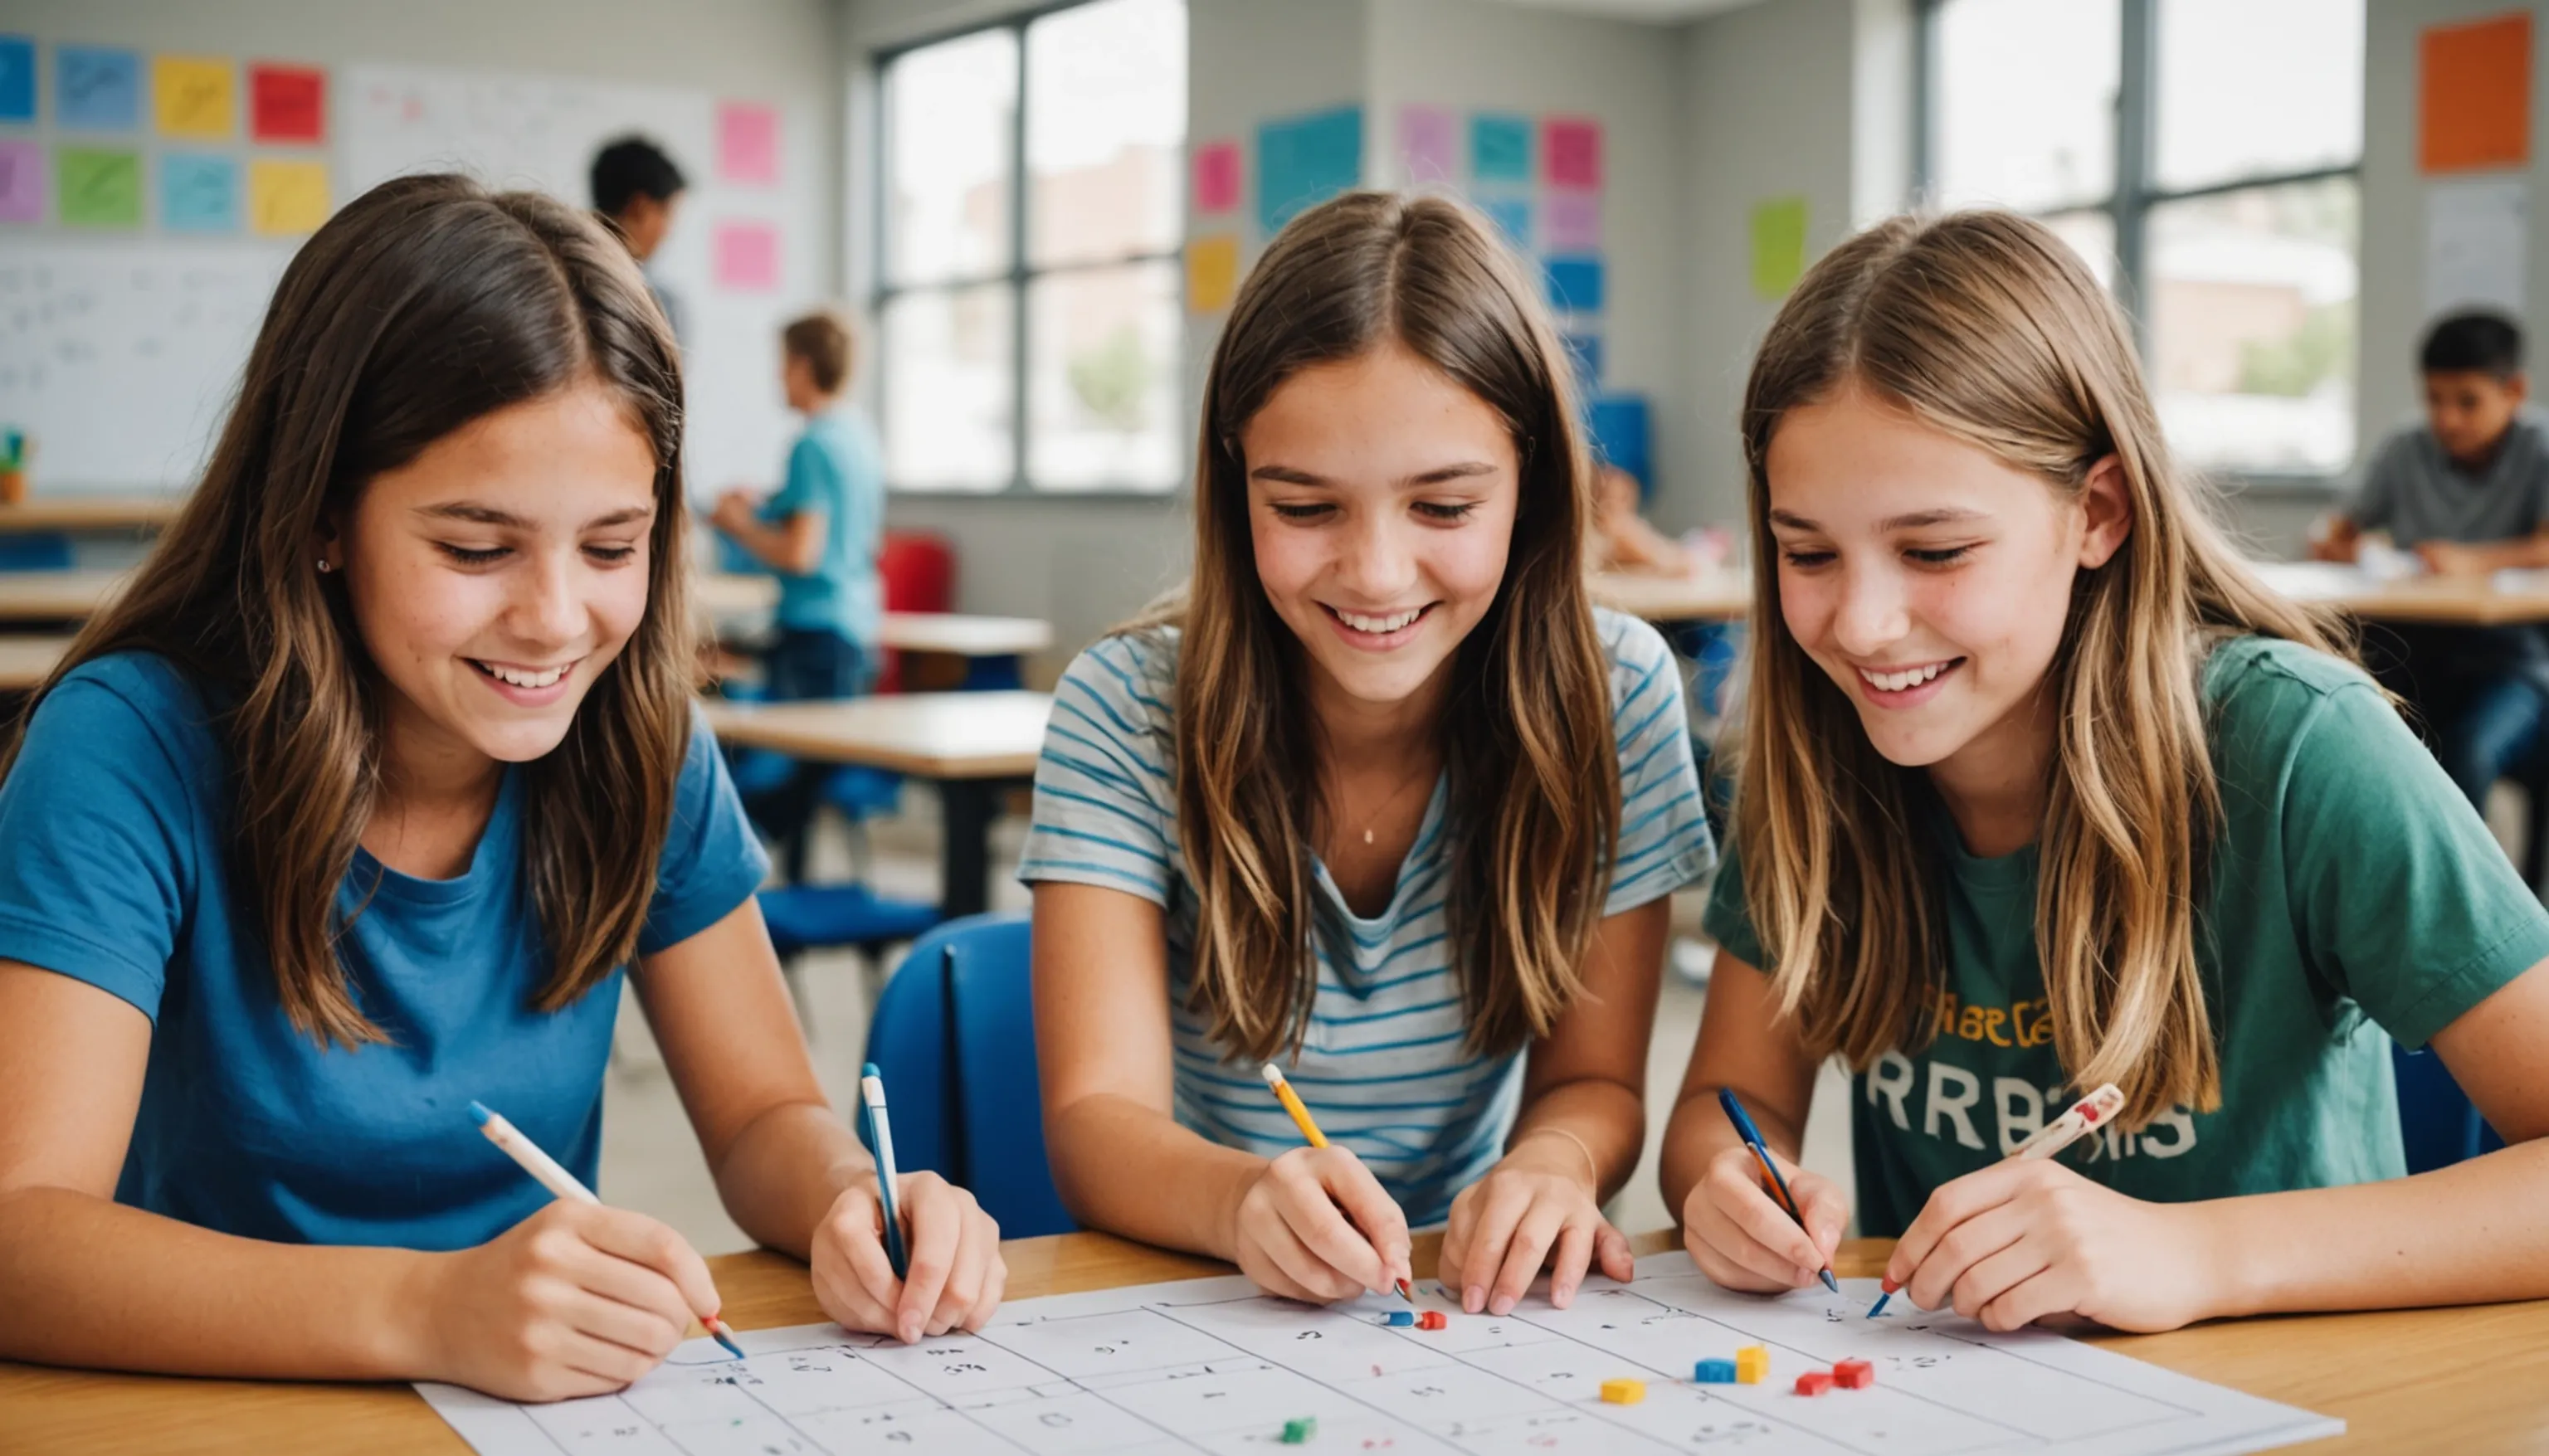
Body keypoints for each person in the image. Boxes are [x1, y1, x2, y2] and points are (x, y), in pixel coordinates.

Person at [0, 176, 1002, 1401]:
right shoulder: (129, 746)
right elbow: (21, 1236)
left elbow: (758, 1118)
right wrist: (427, 1304)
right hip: (215, 1406)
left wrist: (855, 1197)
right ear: (320, 513)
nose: (555, 619)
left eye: (613, 545)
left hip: (514, 1411)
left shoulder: (637, 737)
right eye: (475, 548)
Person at [1661, 211, 2549, 1335]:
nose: (1863, 624)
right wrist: (1731, 1178)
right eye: (1807, 552)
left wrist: (2200, 1253)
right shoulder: (1812, 760)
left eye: (1935, 550)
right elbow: (1725, 1103)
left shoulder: (2297, 749)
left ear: (2097, 512)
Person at [1026, 192, 1715, 1318]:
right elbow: (1098, 1122)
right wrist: (1244, 1198)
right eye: (1305, 506)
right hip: (1206, 1283)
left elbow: (1592, 1083)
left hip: (1466, 1293)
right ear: (1235, 481)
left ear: (1533, 490)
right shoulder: (1124, 706)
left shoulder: (1615, 692)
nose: (1378, 573)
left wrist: (1554, 1163)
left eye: (1443, 505)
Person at [2310, 311, 2549, 806]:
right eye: (2434, 400)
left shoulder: (2539, 448)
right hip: (2408, 648)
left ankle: (2462, 884)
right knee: (2346, 731)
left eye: (2468, 402)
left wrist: (2472, 561)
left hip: (2509, 658)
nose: (2448, 419)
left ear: (2515, 392)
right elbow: (2336, 531)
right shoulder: (2404, 447)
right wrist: (2340, 544)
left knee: (2468, 750)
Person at [710, 311, 888, 864]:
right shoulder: (857, 435)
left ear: (804, 366)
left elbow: (801, 553)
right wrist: (766, 503)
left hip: (814, 629)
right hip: (856, 626)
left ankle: (738, 858)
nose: (779, 378)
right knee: (813, 767)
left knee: (785, 771)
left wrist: (740, 525)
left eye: (783, 365)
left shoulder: (810, 444)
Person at [589, 135, 690, 343]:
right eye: (665, 213)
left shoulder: (552, 274)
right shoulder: (658, 304)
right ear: (640, 208)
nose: (666, 231)